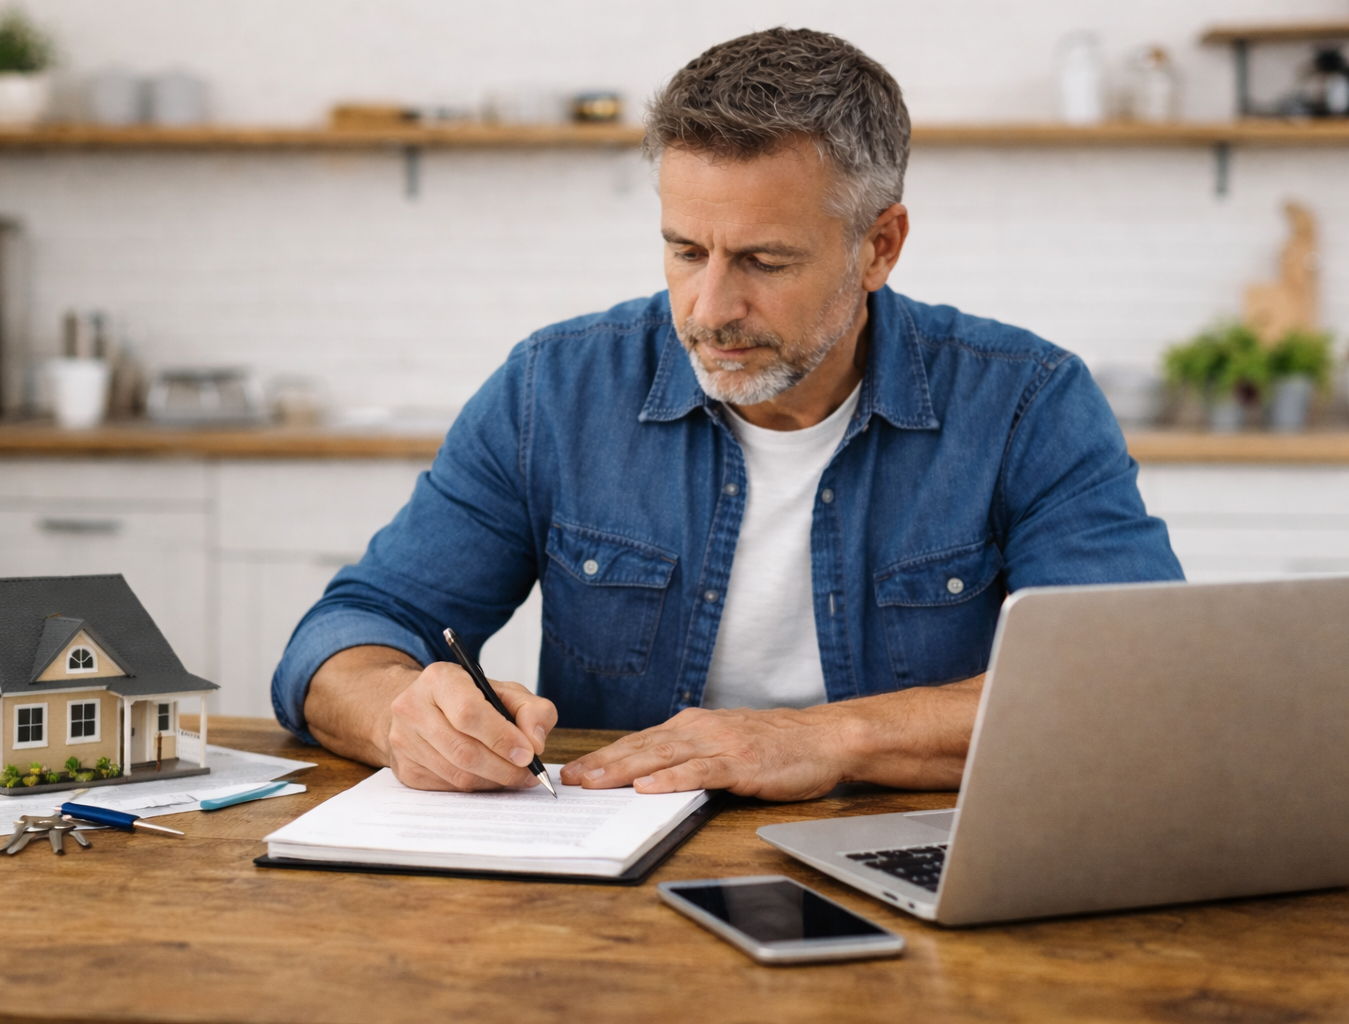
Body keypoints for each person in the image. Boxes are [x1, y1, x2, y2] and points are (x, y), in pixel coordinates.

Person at [271, 28, 1183, 802]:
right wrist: (404, 715)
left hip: (913, 860)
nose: (709, 308)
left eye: (765, 261)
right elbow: (344, 635)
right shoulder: (553, 389)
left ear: (880, 247)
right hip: (611, 874)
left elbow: (1126, 684)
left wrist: (825, 740)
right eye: (684, 250)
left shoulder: (1026, 401)